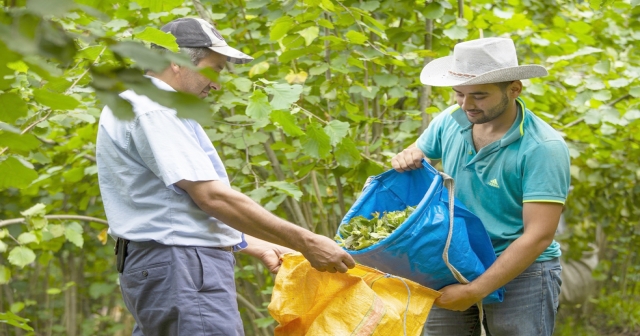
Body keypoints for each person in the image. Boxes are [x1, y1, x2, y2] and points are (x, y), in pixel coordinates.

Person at [96, 17, 355, 336]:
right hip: (181, 270)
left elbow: (172, 211)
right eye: (214, 68)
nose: (216, 83)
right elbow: (211, 197)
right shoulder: (155, 109)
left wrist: (253, 244)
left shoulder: (141, 102)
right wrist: (306, 240)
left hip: (165, 268)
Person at [391, 37, 570, 335]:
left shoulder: (543, 147)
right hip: (453, 261)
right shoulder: (450, 120)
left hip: (523, 269)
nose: (466, 105)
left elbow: (539, 235)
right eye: (458, 94)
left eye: (479, 95)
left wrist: (475, 291)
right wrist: (408, 156)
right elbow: (418, 155)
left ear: (514, 88)